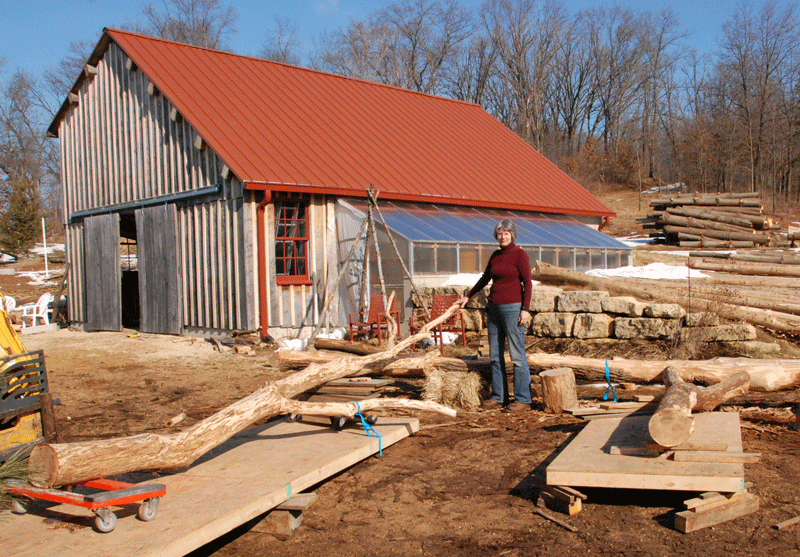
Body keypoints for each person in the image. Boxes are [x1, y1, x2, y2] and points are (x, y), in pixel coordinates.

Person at [458, 219, 533, 412]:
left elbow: (528, 283)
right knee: (495, 356)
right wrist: (468, 295)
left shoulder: (520, 255)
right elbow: (485, 278)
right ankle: (499, 397)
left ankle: (523, 399)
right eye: (500, 233)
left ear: (512, 235)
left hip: (513, 309)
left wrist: (525, 309)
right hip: (493, 308)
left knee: (517, 355)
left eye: (506, 233)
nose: (503, 236)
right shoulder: (496, 255)